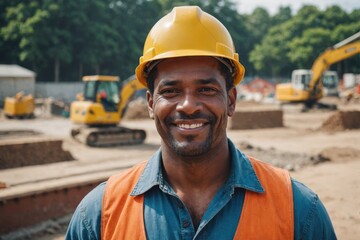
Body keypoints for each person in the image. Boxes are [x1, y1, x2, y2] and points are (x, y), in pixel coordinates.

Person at [66, 6, 336, 239]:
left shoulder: (299, 211)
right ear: (150, 103)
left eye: (206, 89)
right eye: (170, 91)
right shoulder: (99, 216)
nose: (188, 105)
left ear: (231, 100)